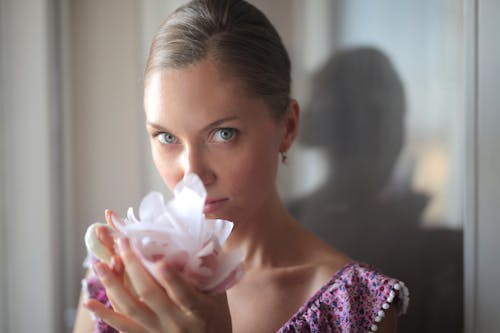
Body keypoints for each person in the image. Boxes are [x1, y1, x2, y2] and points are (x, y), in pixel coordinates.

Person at [73, 1, 408, 332]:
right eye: (165, 137)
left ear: (288, 127)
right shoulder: (118, 277)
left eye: (223, 133)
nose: (192, 175)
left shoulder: (353, 309)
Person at [291, 48, 462, 332]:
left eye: (397, 118)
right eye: (385, 119)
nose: (398, 137)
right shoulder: (290, 227)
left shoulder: (431, 240)